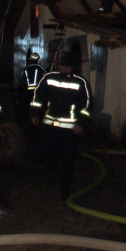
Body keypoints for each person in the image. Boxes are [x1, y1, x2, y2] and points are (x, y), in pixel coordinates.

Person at [29, 46, 91, 200]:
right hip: (49, 127)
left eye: (67, 66)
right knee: (47, 155)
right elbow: (38, 98)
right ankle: (51, 177)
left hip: (69, 131)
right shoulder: (49, 78)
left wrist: (80, 123)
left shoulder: (80, 83)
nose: (64, 68)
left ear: (73, 67)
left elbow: (86, 106)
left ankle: (65, 189)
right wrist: (34, 114)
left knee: (67, 160)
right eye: (62, 65)